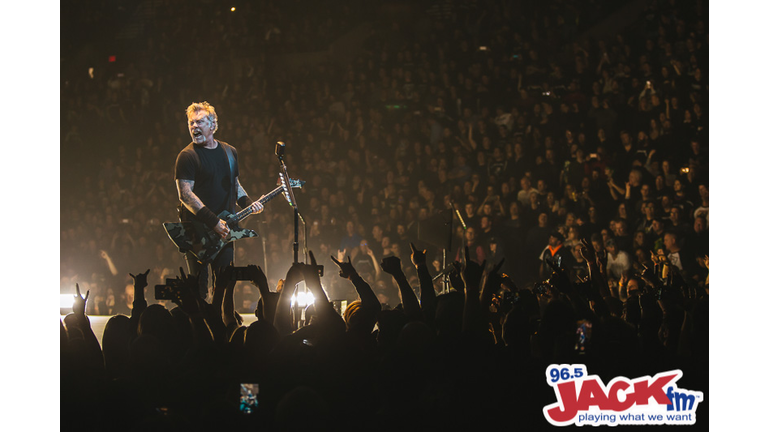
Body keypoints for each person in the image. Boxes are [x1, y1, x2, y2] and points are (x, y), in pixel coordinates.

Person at [174, 101, 264, 299]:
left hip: (224, 229)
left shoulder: (230, 152)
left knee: (225, 284)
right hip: (198, 231)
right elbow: (185, 195)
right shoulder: (187, 156)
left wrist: (249, 204)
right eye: (191, 123)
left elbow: (235, 185)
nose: (194, 126)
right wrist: (213, 221)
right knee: (199, 288)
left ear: (213, 125)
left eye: (199, 122)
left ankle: (223, 325)